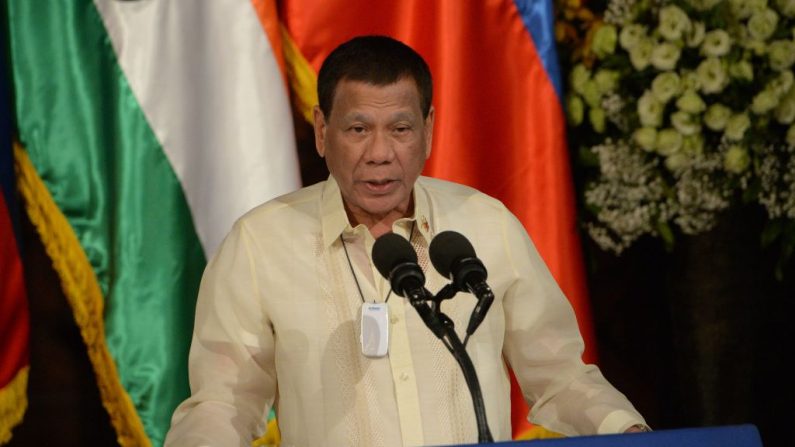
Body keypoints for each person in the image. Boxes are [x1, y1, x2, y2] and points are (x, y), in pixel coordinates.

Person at [164, 35, 649, 447]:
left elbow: (560, 375)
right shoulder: (260, 243)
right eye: (358, 129)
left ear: (429, 130)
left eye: (400, 129)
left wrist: (627, 430)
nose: (380, 154)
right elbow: (224, 402)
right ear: (321, 131)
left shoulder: (485, 225)